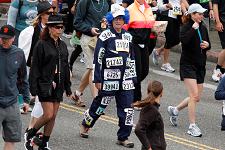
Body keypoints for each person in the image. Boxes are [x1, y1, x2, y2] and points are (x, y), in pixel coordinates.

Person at [79, 4, 136, 148]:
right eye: (116, 18)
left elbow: (132, 58)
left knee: (128, 109)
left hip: (126, 80)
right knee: (100, 105)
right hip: (109, 79)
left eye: (121, 18)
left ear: (124, 20)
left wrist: (133, 77)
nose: (118, 21)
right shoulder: (105, 35)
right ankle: (86, 123)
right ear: (111, 20)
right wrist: (97, 79)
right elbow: (98, 58)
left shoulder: (128, 36)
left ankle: (124, 137)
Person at [24, 14, 73, 150]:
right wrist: (33, 89)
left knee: (53, 116)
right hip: (45, 85)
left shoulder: (62, 45)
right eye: (57, 27)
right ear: (50, 28)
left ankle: (44, 143)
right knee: (48, 114)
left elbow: (65, 66)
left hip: (59, 85)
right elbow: (35, 68)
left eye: (62, 27)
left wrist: (68, 88)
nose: (60, 29)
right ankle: (30, 133)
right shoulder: (41, 44)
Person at [167, 3, 211, 137]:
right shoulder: (186, 27)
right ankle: (192, 126)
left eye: (202, 13)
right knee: (194, 96)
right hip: (188, 65)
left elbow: (207, 44)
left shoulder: (203, 27)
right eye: (199, 13)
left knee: (196, 97)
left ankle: (175, 109)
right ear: (192, 14)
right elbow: (184, 42)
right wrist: (193, 28)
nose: (202, 16)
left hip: (200, 65)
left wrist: (207, 45)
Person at [18, 0, 54, 145]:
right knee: (41, 101)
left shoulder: (52, 29)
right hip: (34, 71)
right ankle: (32, 130)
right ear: (40, 15)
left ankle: (32, 128)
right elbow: (23, 56)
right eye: (48, 13)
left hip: (49, 71)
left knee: (42, 102)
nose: (51, 15)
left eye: (53, 13)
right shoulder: (30, 31)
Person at [73, 0, 109, 107]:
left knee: (90, 68)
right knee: (93, 68)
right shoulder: (84, 2)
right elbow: (77, 22)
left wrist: (107, 24)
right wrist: (89, 29)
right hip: (87, 38)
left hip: (101, 39)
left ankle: (77, 93)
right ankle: (96, 101)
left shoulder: (106, 3)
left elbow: (108, 21)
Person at [0, 25, 30, 150]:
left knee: (11, 139)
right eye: (2, 38)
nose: (4, 41)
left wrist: (26, 99)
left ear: (14, 38)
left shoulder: (18, 53)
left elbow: (22, 78)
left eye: (7, 39)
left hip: (12, 103)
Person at [124, 0, 155, 105]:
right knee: (137, 71)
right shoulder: (130, 9)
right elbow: (124, 29)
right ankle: (136, 99)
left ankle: (128, 86)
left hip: (145, 43)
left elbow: (150, 25)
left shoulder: (148, 8)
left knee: (145, 71)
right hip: (134, 44)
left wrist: (155, 30)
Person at [134, 80, 166, 150]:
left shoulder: (151, 108)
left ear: (148, 92)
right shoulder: (152, 109)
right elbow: (138, 129)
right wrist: (148, 147)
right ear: (161, 92)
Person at [211, 0, 225, 82]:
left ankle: (223, 71)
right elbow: (215, 5)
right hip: (223, 20)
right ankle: (218, 69)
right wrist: (218, 22)